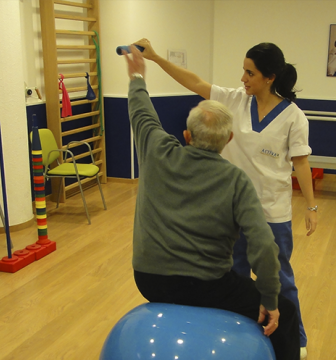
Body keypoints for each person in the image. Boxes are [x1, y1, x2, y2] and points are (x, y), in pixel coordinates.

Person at [134, 38, 317, 359]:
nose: (243, 79)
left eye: (250, 73)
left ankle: (295, 337)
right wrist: (157, 59)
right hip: (231, 214)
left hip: (272, 213)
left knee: (279, 281)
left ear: (270, 77)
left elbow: (301, 162)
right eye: (243, 72)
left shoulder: (294, 117)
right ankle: (236, 341)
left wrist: (311, 206)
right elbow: (194, 82)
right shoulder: (234, 100)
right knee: (236, 278)